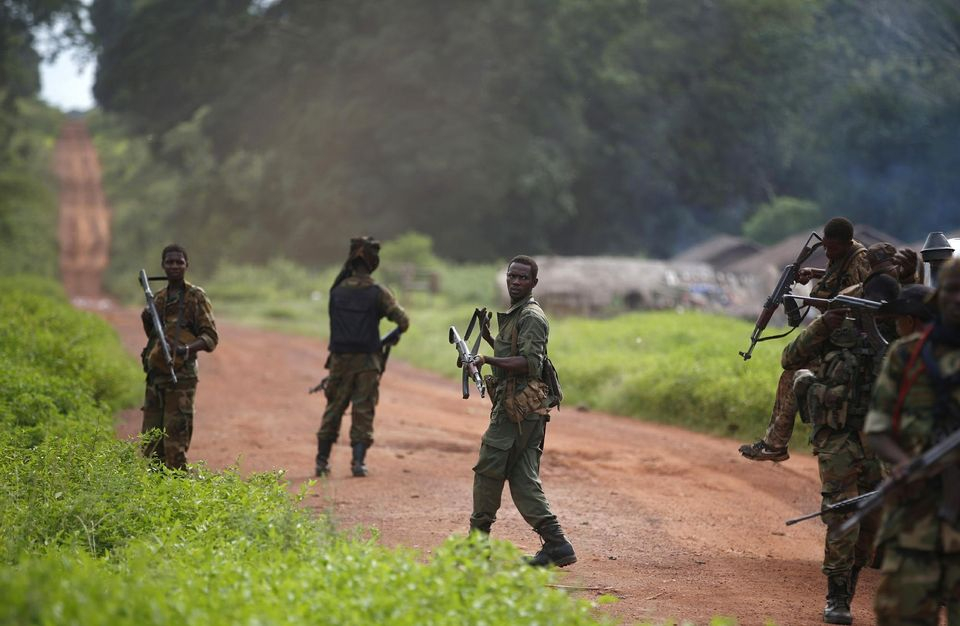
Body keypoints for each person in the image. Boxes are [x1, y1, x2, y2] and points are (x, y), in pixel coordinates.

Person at [789, 274, 899, 624]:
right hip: (838, 438)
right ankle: (837, 598)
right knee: (843, 516)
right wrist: (823, 324)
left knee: (870, 524)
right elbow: (790, 357)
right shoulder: (837, 329)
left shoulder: (905, 340)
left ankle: (848, 586)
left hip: (879, 443)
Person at [862, 259, 960, 625]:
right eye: (951, 291)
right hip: (916, 518)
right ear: (938, 297)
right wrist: (903, 464)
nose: (958, 300)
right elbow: (877, 428)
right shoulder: (908, 355)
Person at [466, 255, 576, 568]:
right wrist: (490, 339)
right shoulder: (517, 315)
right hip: (528, 413)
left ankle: (476, 546)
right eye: (512, 276)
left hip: (517, 410)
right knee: (523, 478)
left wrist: (486, 359)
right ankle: (557, 545)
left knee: (488, 470)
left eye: (522, 278)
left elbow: (530, 363)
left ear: (533, 283)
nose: (515, 282)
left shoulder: (532, 316)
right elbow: (514, 351)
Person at [740, 218, 873, 462]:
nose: (828, 252)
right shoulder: (842, 256)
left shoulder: (860, 260)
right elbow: (839, 278)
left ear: (846, 243)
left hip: (849, 341)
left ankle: (775, 443)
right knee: (788, 372)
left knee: (792, 373)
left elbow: (861, 295)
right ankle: (774, 442)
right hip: (832, 335)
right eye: (825, 247)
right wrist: (816, 273)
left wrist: (818, 302)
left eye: (832, 248)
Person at [314, 236, 409, 478]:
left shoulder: (337, 290)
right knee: (363, 410)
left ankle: (322, 462)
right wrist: (388, 339)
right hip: (367, 362)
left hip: (339, 361)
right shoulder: (378, 292)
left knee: (333, 408)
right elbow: (403, 321)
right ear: (373, 261)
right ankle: (358, 464)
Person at [140, 244, 219, 470]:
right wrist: (146, 318)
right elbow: (154, 338)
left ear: (186, 265)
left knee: (175, 445)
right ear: (163, 266)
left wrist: (186, 350)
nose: (174, 266)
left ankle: (178, 498)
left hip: (181, 379)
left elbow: (211, 338)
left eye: (179, 262)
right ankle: (157, 498)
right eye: (170, 262)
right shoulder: (159, 298)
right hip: (156, 378)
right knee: (152, 446)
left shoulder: (196, 297)